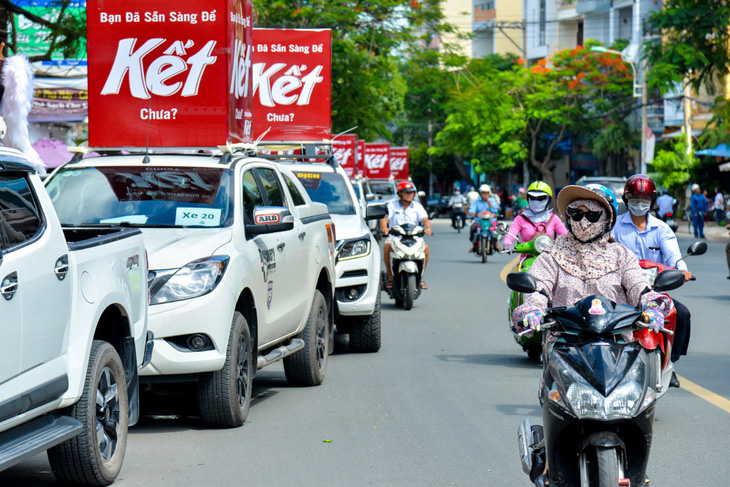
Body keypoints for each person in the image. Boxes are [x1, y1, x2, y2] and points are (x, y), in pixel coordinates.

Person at [512, 184, 671, 357]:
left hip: (617, 347)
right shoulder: (552, 254)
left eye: (593, 216)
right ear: (568, 217)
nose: (583, 222)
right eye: (576, 214)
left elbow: (638, 286)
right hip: (565, 347)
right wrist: (533, 308)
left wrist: (652, 304)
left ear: (607, 220)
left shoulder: (621, 255)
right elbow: (538, 287)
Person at [613, 175, 692, 375]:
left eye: (645, 200)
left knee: (681, 315)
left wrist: (682, 270)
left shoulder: (662, 229)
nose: (639, 204)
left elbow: (674, 256)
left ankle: (670, 364)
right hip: (620, 290)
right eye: (634, 199)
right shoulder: (614, 227)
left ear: (652, 201)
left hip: (652, 292)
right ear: (626, 199)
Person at [381, 181, 432, 290]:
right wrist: (385, 228)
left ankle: (421, 277)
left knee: (426, 249)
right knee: (386, 247)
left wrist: (428, 228)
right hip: (396, 237)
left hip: (414, 238)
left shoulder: (417, 206)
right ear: (400, 193)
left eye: (412, 192)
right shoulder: (392, 205)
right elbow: (385, 219)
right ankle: (390, 277)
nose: (410, 194)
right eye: (406, 192)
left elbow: (425, 219)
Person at [502, 180, 567, 254]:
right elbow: (510, 235)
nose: (536, 201)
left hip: (548, 260)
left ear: (548, 199)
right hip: (526, 260)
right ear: (528, 198)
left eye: (541, 198)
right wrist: (507, 243)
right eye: (532, 198)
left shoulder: (553, 218)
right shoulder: (520, 218)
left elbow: (566, 237)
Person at [468, 184, 500, 253]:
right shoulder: (476, 202)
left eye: (486, 193)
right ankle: (473, 245)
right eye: (483, 193)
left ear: (489, 193)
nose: (484, 194)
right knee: (473, 228)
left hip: (491, 222)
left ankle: (496, 244)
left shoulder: (492, 200)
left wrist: (488, 201)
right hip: (479, 222)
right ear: (480, 193)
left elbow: (495, 210)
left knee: (496, 231)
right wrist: (473, 214)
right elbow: (471, 210)